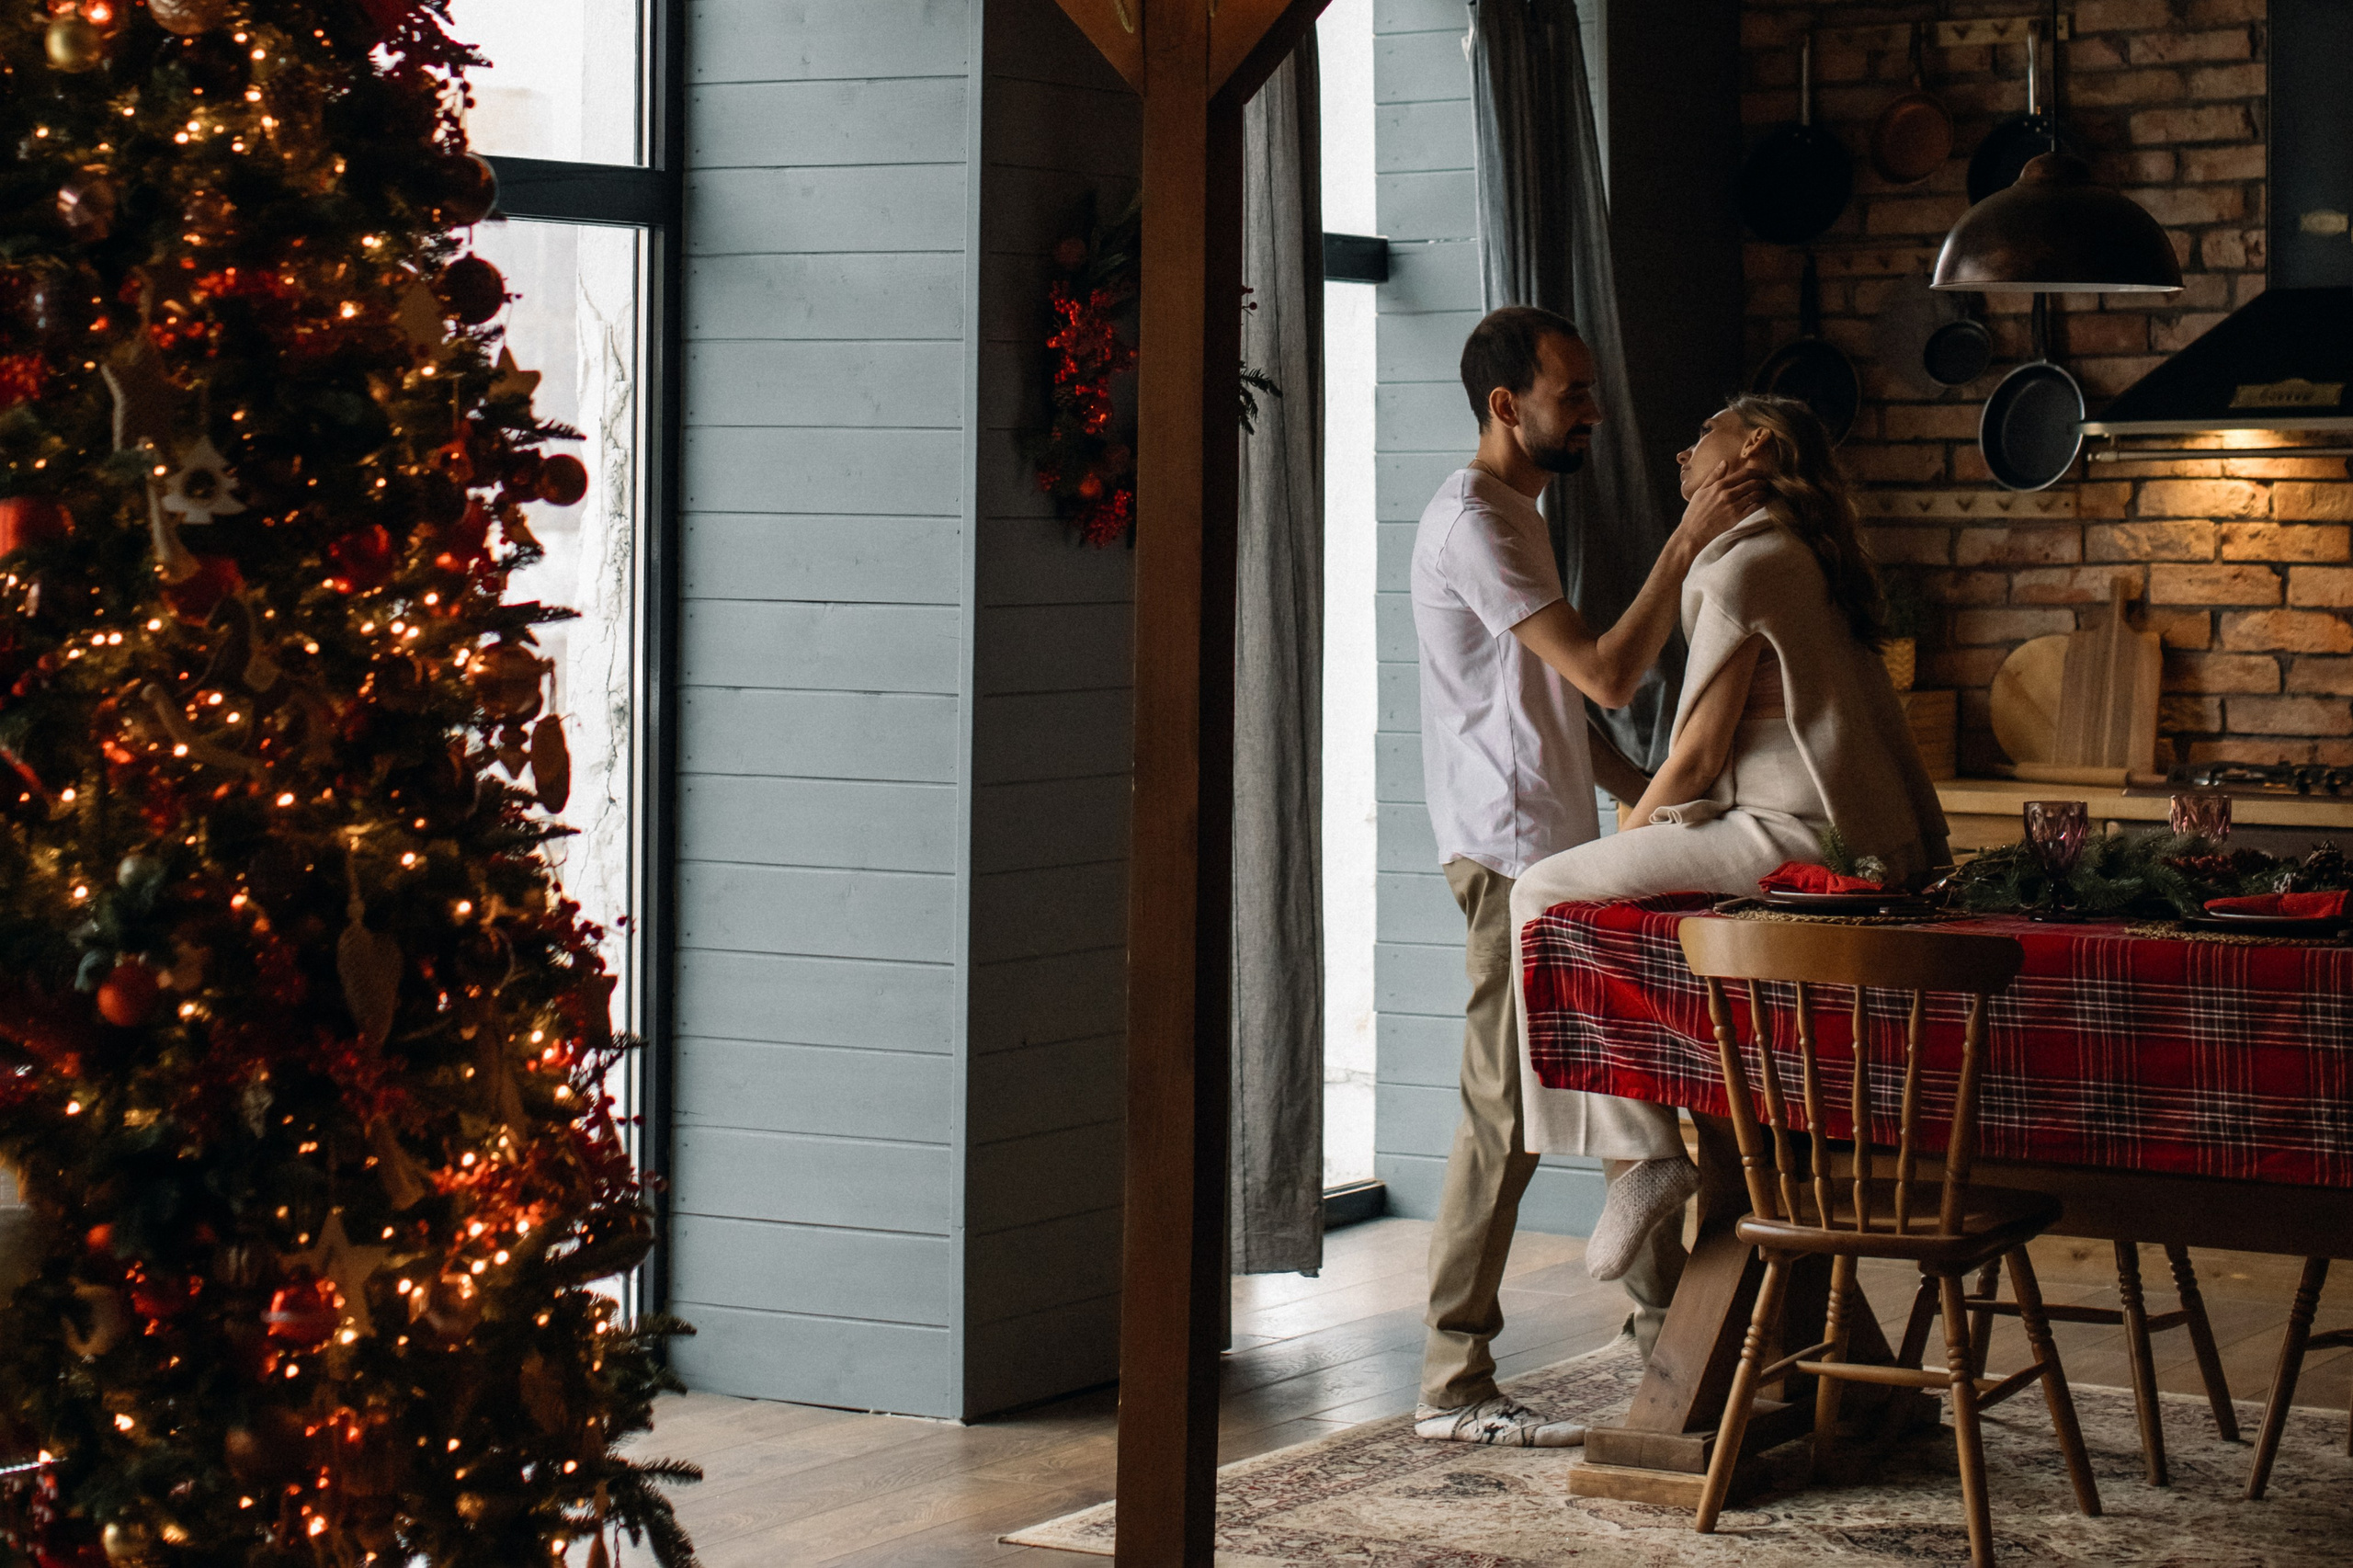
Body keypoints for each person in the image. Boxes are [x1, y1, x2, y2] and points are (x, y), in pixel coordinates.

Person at [1505, 392, 1949, 1340]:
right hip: (1841, 838)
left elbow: (1700, 756)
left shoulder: (1742, 562)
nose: (1680, 444)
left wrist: (1634, 824)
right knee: (1620, 910)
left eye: (1700, 430)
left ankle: (1643, 1148)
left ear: (1749, 447)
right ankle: (1668, 1137)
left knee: (1542, 889)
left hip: (1781, 837)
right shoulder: (1807, 554)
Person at [1410, 307, 1762, 1447]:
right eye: (1573, 393)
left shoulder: (1519, 512)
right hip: (1509, 860)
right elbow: (1608, 675)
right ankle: (1450, 1381)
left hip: (1555, 854)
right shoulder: (1477, 520)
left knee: (1628, 1083)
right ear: (1506, 405)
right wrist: (1687, 541)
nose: (1597, 412)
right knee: (1502, 1121)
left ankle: (1667, 1333)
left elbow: (1557, 706)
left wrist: (1647, 788)